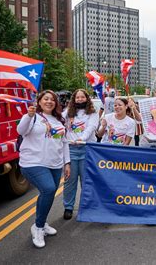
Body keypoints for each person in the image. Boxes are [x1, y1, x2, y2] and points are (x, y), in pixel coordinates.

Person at [17, 90, 70, 248]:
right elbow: (20, 131)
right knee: (48, 189)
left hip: (54, 164)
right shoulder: (33, 117)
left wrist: (67, 163)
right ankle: (38, 228)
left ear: (56, 103)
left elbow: (64, 142)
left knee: (49, 194)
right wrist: (29, 115)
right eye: (45, 99)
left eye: (52, 99)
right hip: (33, 162)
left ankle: (41, 223)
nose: (49, 101)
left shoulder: (59, 120)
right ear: (39, 101)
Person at [62, 89, 99, 220]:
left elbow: (91, 127)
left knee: (86, 180)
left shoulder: (92, 113)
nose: (79, 99)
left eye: (82, 97)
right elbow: (60, 124)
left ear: (87, 98)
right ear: (74, 99)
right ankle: (68, 207)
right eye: (77, 97)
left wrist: (82, 138)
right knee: (69, 181)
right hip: (71, 149)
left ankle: (87, 207)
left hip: (87, 149)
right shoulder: (67, 112)